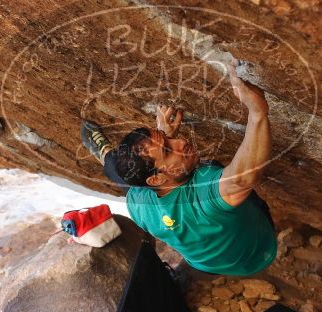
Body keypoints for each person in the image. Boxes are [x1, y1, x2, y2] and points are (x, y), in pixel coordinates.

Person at [80, 61, 276, 276]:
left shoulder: (139, 204)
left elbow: (131, 177)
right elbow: (242, 178)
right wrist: (257, 112)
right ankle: (110, 154)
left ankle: (103, 151)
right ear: (156, 180)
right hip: (257, 253)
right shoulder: (203, 193)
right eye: (168, 149)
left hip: (204, 265)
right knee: (215, 169)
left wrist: (163, 134)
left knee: (118, 172)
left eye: (167, 139)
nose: (181, 142)